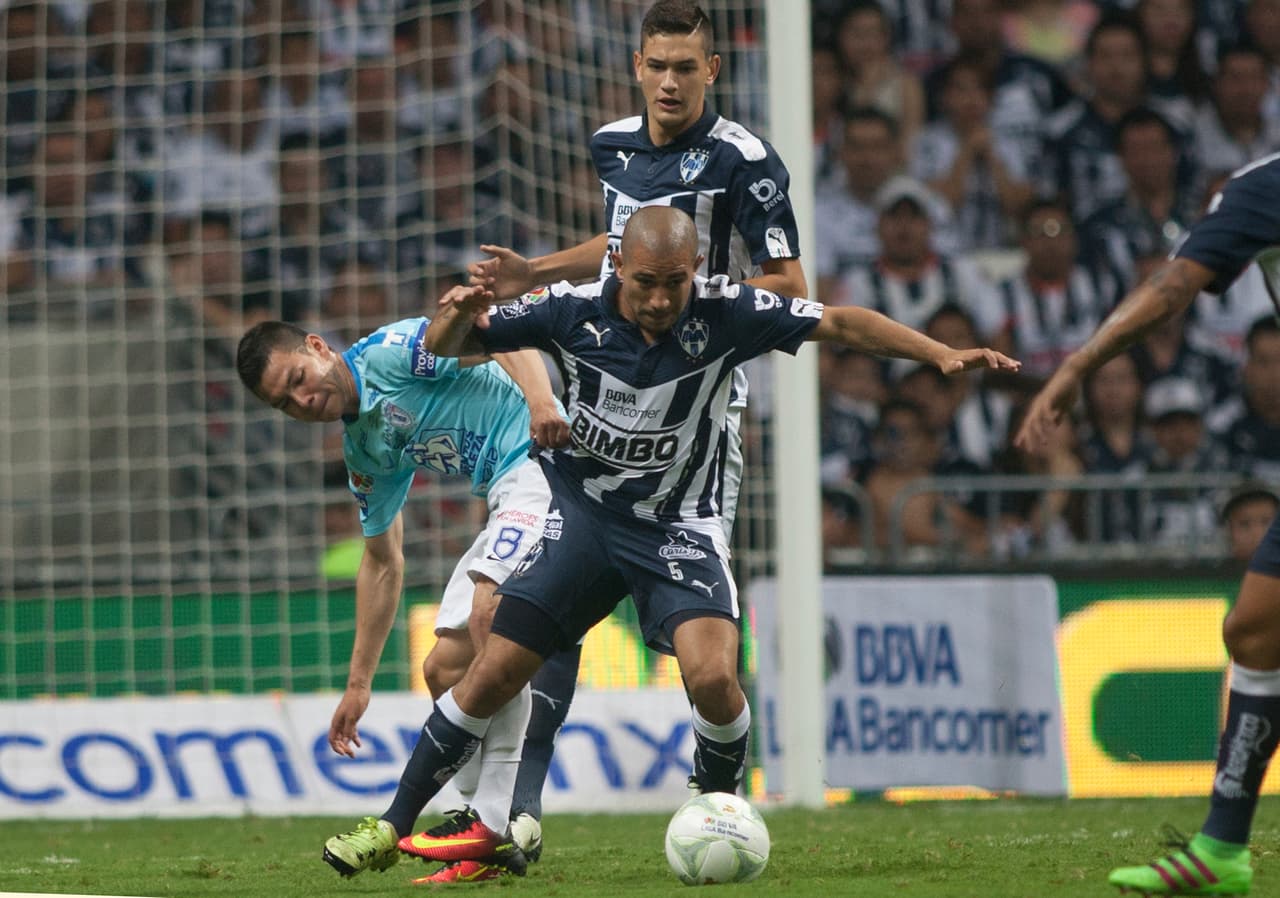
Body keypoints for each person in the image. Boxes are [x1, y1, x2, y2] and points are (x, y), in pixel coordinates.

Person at [363, 205, 1016, 881]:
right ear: (617, 265)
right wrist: (458, 312)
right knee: (491, 667)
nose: (658, 298)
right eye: (645, 281)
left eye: (674, 282)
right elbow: (448, 345)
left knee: (712, 677)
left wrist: (936, 351)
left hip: (679, 522)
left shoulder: (726, 310)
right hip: (585, 515)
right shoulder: (568, 308)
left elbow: (840, 321)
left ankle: (718, 793)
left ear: (695, 270)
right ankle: (395, 822)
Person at [462, 0, 808, 865]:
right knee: (544, 611)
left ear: (712, 71)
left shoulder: (747, 161)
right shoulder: (612, 144)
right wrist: (536, 270)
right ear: (635, 64)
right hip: (603, 392)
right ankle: (517, 817)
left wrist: (698, 310)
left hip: (693, 409)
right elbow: (623, 249)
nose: (668, 81)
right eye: (657, 64)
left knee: (702, 636)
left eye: (685, 68)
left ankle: (719, 778)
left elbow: (790, 278)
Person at [1015, 153, 1280, 896]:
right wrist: (1083, 362)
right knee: (1255, 628)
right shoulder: (1264, 188)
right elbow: (1173, 286)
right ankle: (1222, 852)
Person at [234, 318, 569, 885]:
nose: (303, 399)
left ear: (318, 346)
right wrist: (359, 682)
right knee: (443, 669)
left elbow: (505, 337)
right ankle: (481, 834)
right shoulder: (364, 448)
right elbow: (383, 563)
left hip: (543, 463)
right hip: (505, 492)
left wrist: (541, 404)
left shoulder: (393, 356)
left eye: (298, 378)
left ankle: (495, 822)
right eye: (285, 403)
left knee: (490, 616)